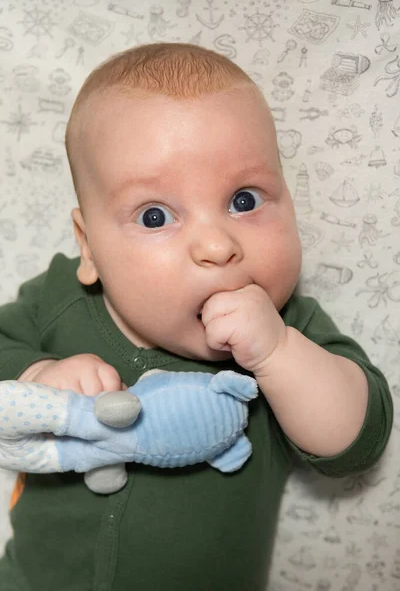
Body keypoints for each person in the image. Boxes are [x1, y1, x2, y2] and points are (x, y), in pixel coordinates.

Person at [0, 43, 393, 590]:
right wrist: (36, 377)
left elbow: (360, 438)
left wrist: (278, 354)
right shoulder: (59, 300)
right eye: (156, 215)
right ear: (89, 248)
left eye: (245, 200)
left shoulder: (288, 328)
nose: (216, 244)